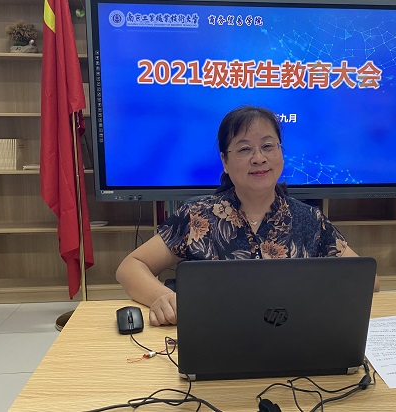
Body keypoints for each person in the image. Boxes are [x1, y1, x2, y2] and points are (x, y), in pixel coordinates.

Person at [116, 106, 380, 326]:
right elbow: (130, 267)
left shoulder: (310, 220)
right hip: (215, 340)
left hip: (294, 343)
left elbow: (368, 280)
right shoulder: (197, 216)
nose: (259, 158)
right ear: (225, 161)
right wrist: (161, 297)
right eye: (244, 149)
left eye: (268, 146)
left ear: (280, 152)